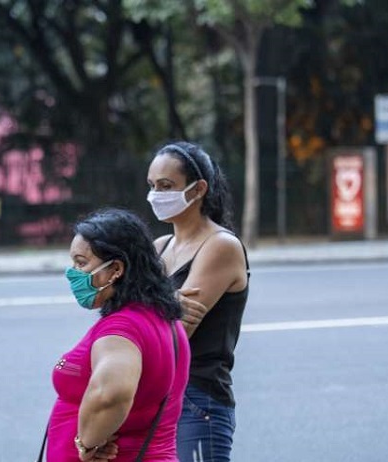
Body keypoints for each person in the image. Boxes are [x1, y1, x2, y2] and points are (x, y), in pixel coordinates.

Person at [46, 208, 191, 462]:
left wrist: (86, 443)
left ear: (115, 269)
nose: (72, 273)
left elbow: (111, 393)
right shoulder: (163, 318)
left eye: (81, 263)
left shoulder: (122, 329)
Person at [145, 142, 250, 462]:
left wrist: (150, 305)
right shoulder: (161, 246)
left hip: (197, 399)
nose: (155, 196)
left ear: (199, 189)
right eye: (151, 186)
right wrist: (164, 304)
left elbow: (176, 335)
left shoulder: (220, 246)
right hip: (157, 394)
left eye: (166, 186)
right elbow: (129, 319)